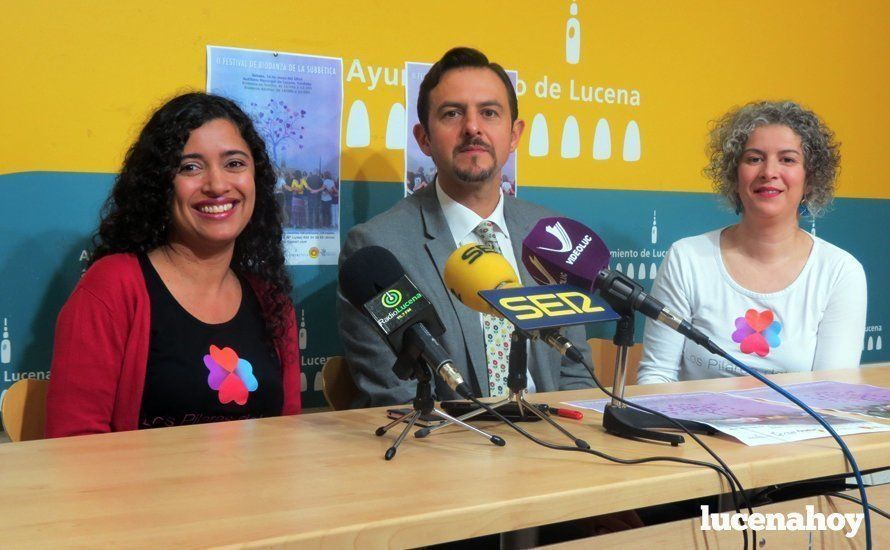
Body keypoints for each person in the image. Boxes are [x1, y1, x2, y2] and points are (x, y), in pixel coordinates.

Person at [337, 47, 592, 407]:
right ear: (423, 138)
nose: (473, 127)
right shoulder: (379, 247)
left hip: (556, 442)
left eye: (489, 113)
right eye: (453, 114)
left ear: (515, 134)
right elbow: (397, 398)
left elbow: (576, 377)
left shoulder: (553, 236)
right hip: (447, 449)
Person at [46, 92, 302, 437]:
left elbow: (288, 438)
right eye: (190, 167)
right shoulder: (113, 287)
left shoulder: (272, 302)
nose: (217, 185)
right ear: (160, 185)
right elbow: (73, 445)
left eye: (234, 163)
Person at [638, 100, 867, 384]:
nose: (769, 172)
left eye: (787, 159)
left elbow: (832, 393)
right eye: (754, 158)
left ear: (810, 179)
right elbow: (657, 375)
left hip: (798, 428)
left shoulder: (840, 272)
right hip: (694, 428)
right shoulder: (687, 258)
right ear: (734, 175)